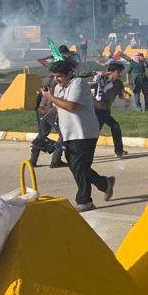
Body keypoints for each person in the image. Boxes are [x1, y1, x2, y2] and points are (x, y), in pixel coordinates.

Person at [41, 60, 116, 212]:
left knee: (79, 167)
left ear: (69, 73)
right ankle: (104, 183)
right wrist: (46, 109)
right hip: (68, 134)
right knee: (77, 167)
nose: (57, 79)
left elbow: (71, 106)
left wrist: (50, 98)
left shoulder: (79, 84)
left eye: (59, 76)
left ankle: (84, 201)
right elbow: (60, 108)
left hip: (84, 132)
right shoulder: (57, 89)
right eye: (55, 76)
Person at [92, 61, 128, 158]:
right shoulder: (101, 80)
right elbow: (88, 86)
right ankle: (86, 152)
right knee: (95, 133)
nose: (120, 74)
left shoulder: (119, 83)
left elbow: (121, 95)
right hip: (96, 111)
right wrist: (96, 73)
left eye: (121, 72)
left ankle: (119, 151)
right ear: (110, 72)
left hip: (106, 110)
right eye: (118, 72)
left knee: (114, 127)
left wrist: (125, 96)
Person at [30, 69, 66, 168]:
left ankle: (33, 160)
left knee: (42, 134)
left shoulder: (48, 77)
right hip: (50, 110)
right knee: (64, 134)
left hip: (41, 109)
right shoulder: (57, 78)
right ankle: (56, 160)